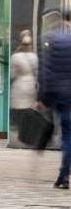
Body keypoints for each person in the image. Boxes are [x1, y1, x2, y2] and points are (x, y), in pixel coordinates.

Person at [37, 26, 71, 189]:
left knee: (65, 136)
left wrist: (44, 99)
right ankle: (64, 173)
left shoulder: (53, 45)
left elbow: (47, 74)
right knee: (67, 136)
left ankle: (63, 177)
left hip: (58, 96)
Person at [10, 29, 38, 136]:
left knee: (19, 112)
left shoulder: (15, 56)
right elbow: (36, 72)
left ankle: (21, 132)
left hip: (19, 86)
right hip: (31, 86)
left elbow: (13, 74)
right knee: (29, 109)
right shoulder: (34, 56)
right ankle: (29, 132)